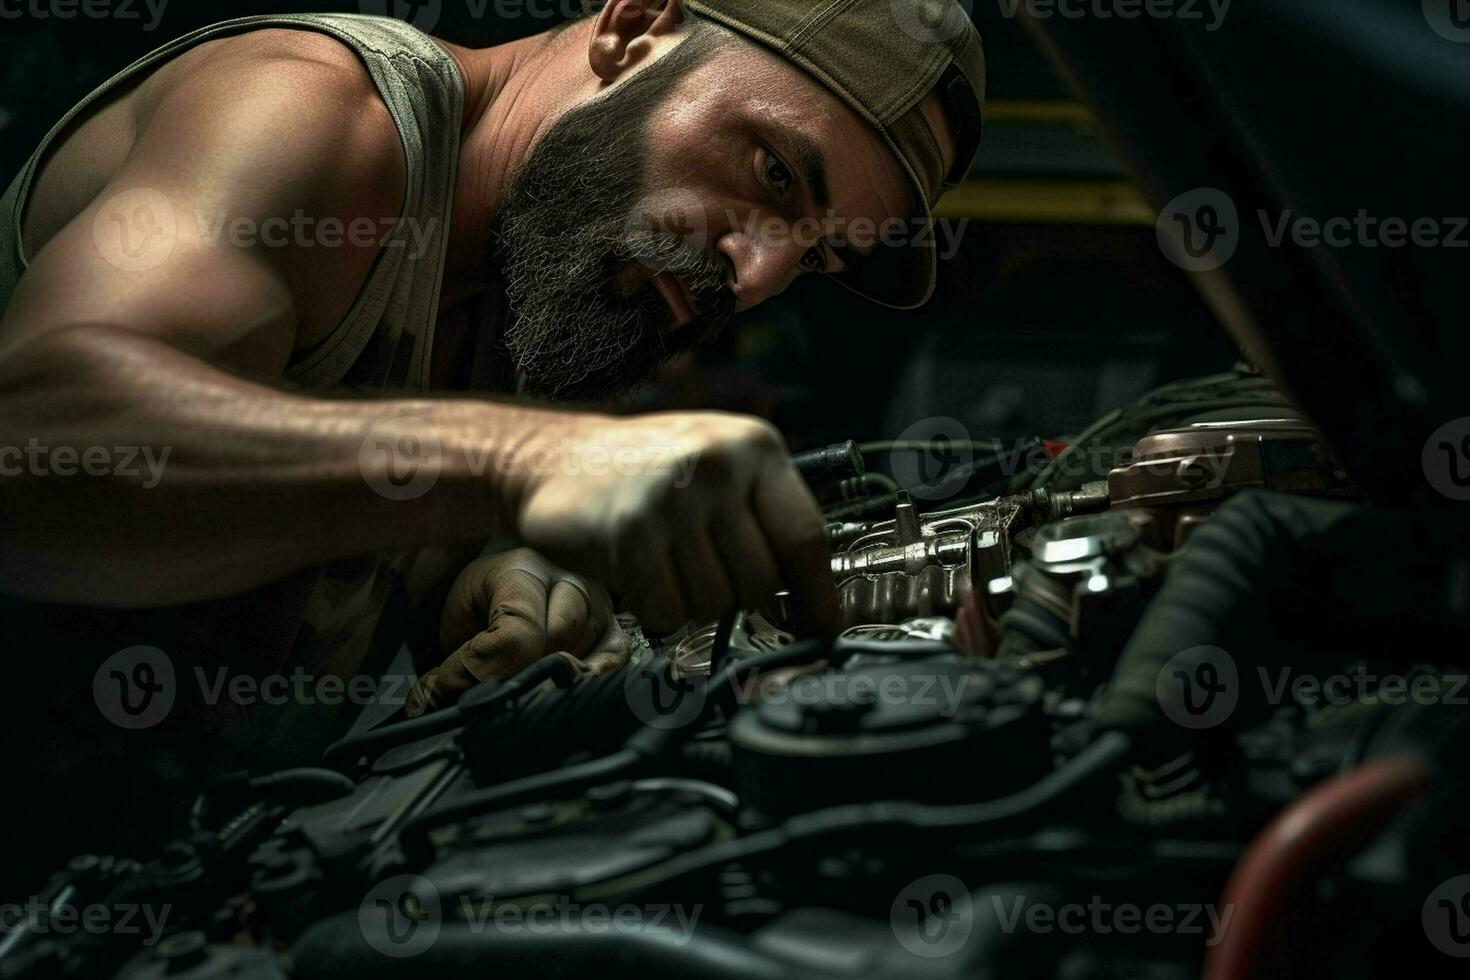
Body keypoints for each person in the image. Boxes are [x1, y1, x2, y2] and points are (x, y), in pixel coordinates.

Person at [0, 0, 983, 870]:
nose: (757, 276)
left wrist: (466, 588)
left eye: (813, 255)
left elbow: (308, 497)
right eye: (771, 171)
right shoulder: (314, 111)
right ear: (635, 27)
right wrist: (513, 460)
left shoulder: (548, 277)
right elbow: (31, 438)